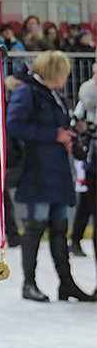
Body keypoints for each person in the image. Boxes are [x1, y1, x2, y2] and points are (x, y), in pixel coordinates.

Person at [6, 51, 95, 303]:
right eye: (64, 72)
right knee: (34, 228)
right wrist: (53, 134)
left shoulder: (53, 94)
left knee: (59, 228)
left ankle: (66, 284)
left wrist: (70, 132)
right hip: (38, 172)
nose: (67, 77)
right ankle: (28, 284)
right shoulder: (27, 92)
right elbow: (14, 125)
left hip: (56, 170)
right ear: (53, 72)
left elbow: (54, 125)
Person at [69, 62, 96, 259]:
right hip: (90, 155)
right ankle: (76, 239)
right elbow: (76, 121)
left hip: (90, 155)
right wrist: (85, 130)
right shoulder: (87, 95)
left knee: (87, 201)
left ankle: (76, 239)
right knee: (87, 200)